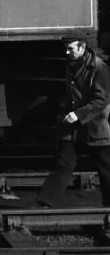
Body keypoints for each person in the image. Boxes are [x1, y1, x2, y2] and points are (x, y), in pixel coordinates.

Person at [36, 36, 110, 208]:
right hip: (75, 128)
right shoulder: (73, 64)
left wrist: (78, 114)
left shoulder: (100, 69)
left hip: (95, 125)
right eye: (66, 48)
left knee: (106, 169)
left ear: (82, 47)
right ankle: (46, 203)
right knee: (63, 163)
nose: (67, 52)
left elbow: (102, 100)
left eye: (71, 48)